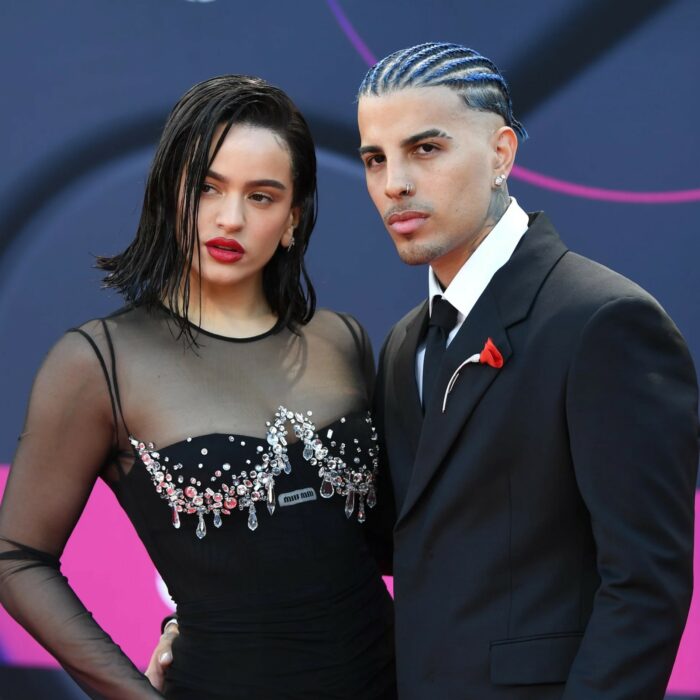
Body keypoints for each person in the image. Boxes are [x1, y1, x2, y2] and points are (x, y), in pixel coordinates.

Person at [0, 75, 396, 699]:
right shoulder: (100, 360)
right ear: (169, 192)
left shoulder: (342, 341)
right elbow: (17, 557)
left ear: (293, 219)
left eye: (261, 197)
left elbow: (380, 540)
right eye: (207, 187)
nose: (229, 218)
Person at [357, 42, 699, 699]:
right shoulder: (405, 343)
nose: (394, 182)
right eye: (375, 158)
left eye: (425, 149)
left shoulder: (605, 322)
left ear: (501, 154)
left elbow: (645, 584)